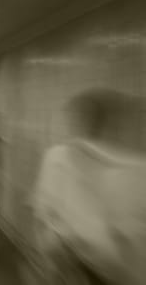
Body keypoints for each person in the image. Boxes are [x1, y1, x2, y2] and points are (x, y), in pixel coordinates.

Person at [32, 89, 146, 285]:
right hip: (113, 269)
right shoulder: (136, 167)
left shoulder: (57, 157)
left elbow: (43, 212)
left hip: (72, 261)